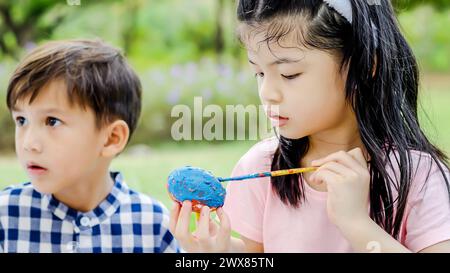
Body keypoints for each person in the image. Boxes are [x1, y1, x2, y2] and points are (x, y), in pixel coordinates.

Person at [170, 0, 450, 253]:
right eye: (259, 72)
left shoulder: (418, 178)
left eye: (289, 74)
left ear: (364, 67)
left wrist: (355, 224)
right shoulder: (262, 166)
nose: (267, 92)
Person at [0, 39, 180, 253]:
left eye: (52, 121)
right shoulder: (6, 215)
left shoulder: (154, 226)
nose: (29, 143)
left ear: (112, 138)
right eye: (21, 120)